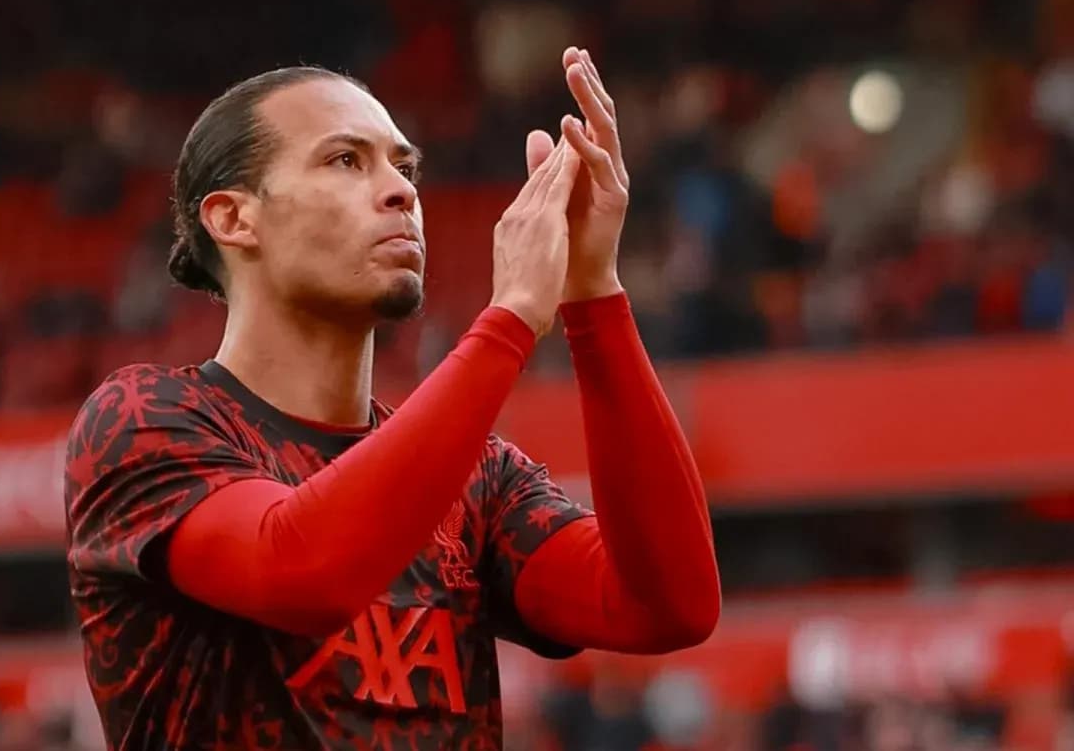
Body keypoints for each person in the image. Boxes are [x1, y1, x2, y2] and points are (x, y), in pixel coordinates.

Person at [65, 47, 721, 750]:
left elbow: (667, 609)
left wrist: (592, 290)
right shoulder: (142, 419)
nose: (401, 192)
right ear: (233, 218)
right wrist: (508, 320)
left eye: (404, 168)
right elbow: (305, 574)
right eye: (345, 161)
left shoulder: (478, 481)